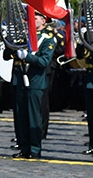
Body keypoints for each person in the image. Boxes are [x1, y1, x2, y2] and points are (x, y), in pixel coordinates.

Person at [9, 8, 57, 159]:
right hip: (19, 80)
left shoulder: (48, 39)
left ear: (44, 21)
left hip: (35, 82)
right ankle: (24, 147)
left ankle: (35, 149)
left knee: (33, 117)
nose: (32, 20)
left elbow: (44, 61)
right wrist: (10, 44)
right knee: (20, 116)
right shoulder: (24, 36)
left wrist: (27, 57)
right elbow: (6, 56)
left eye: (36, 18)